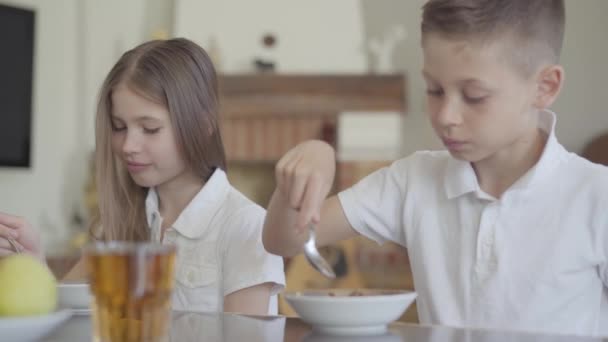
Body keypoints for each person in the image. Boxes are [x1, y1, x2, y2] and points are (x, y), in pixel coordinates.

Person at [262, 0, 608, 336]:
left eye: (474, 96)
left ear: (544, 87)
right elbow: (284, 240)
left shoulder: (596, 196)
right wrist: (312, 157)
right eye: (434, 90)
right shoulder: (413, 180)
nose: (445, 117)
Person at [0, 38, 285, 316]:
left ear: (203, 124)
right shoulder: (119, 222)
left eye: (149, 128)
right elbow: (67, 315)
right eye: (119, 126)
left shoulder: (246, 227)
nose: (128, 146)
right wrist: (33, 265)